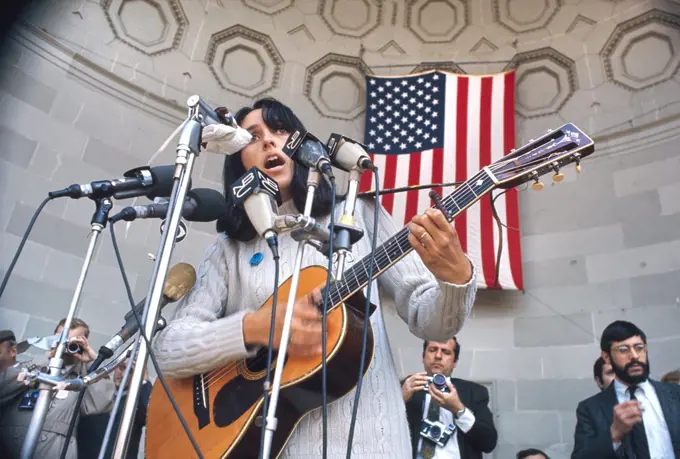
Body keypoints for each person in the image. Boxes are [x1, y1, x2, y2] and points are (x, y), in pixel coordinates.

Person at [152, 98, 477, 458]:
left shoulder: (359, 211)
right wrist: (253, 329)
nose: (268, 142)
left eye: (279, 130)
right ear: (238, 160)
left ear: (302, 146)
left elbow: (430, 322)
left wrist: (456, 279)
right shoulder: (230, 248)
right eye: (252, 137)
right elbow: (168, 350)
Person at [0, 318, 115, 459]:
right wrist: (45, 358)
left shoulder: (83, 378)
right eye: (60, 339)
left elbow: (102, 404)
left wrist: (94, 361)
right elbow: (3, 387)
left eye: (72, 341)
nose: (65, 345)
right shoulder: (33, 365)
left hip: (53, 450)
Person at [572, 320, 680, 459]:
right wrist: (613, 434)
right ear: (606, 357)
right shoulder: (590, 409)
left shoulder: (675, 394)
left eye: (639, 347)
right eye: (623, 350)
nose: (635, 356)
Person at [401, 338, 497, 458]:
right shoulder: (403, 388)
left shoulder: (473, 392)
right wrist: (399, 400)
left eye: (446, 352)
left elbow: (488, 443)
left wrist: (459, 409)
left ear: (454, 362)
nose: (438, 356)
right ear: (423, 356)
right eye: (432, 350)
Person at [77, 358, 151, 459]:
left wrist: (144, 380)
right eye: (121, 368)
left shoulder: (134, 403)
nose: (123, 374)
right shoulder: (96, 392)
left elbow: (150, 417)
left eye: (130, 371)